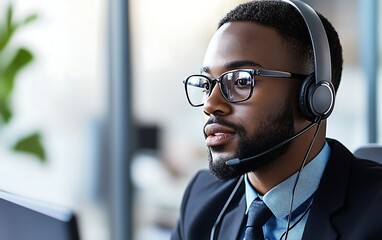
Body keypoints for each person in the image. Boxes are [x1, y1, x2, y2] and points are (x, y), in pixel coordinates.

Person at [171, 0, 382, 240]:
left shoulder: (376, 215)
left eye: (241, 81)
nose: (211, 104)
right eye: (207, 84)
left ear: (314, 97)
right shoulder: (202, 197)